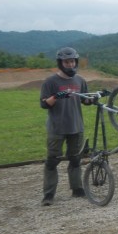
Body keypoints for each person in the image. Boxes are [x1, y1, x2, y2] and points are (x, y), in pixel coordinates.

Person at [39, 47, 91, 205]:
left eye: (73, 61)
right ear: (60, 63)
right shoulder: (50, 82)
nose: (70, 64)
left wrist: (95, 98)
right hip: (57, 127)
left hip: (76, 126)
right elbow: (44, 104)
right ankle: (49, 194)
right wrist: (56, 96)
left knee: (75, 159)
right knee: (52, 161)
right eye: (67, 62)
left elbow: (85, 100)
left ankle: (77, 188)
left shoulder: (80, 80)